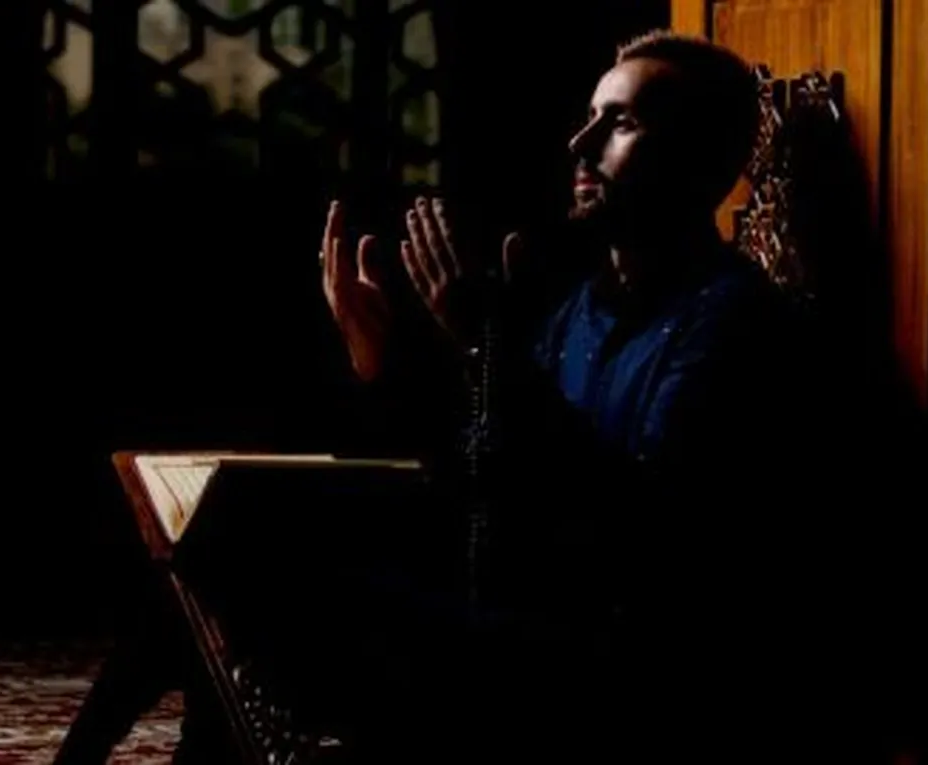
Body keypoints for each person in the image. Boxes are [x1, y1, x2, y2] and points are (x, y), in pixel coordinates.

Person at [320, 30, 849, 762]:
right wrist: (386, 366)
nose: (580, 142)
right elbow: (487, 487)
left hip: (636, 675)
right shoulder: (580, 308)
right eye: (590, 117)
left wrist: (485, 345)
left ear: (698, 161)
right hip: (537, 628)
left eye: (620, 122)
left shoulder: (732, 321)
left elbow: (638, 528)